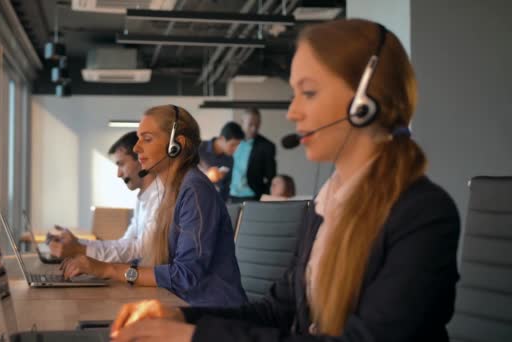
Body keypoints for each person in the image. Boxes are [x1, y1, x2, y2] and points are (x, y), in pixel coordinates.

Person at [109, 19, 460, 342]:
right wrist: (180, 317)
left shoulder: (423, 214)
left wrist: (194, 337)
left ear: (363, 102)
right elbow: (277, 310)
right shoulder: (328, 204)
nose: (292, 112)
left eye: (308, 92)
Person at [61, 105, 247, 307]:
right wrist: (100, 267)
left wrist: (109, 270)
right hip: (182, 305)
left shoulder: (194, 190)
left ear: (176, 145)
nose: (136, 147)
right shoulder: (169, 190)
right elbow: (154, 260)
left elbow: (186, 275)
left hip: (212, 314)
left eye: (147, 139)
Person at [48, 131, 162, 264]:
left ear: (141, 159)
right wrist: (77, 243)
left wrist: (81, 249)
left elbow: (140, 251)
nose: (119, 174)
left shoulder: (160, 197)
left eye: (121, 164)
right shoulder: (143, 196)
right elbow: (124, 244)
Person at [229, 108, 276, 203]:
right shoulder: (231, 142)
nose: (254, 128)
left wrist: (264, 197)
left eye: (257, 125)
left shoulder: (266, 146)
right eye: (250, 124)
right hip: (229, 196)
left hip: (253, 196)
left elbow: (271, 177)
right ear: (242, 123)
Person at [198, 121, 245, 201]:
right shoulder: (199, 149)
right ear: (222, 139)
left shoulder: (229, 160)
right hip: (195, 200)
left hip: (215, 204)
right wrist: (208, 176)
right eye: (233, 145)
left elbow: (226, 188)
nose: (235, 149)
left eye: (237, 145)